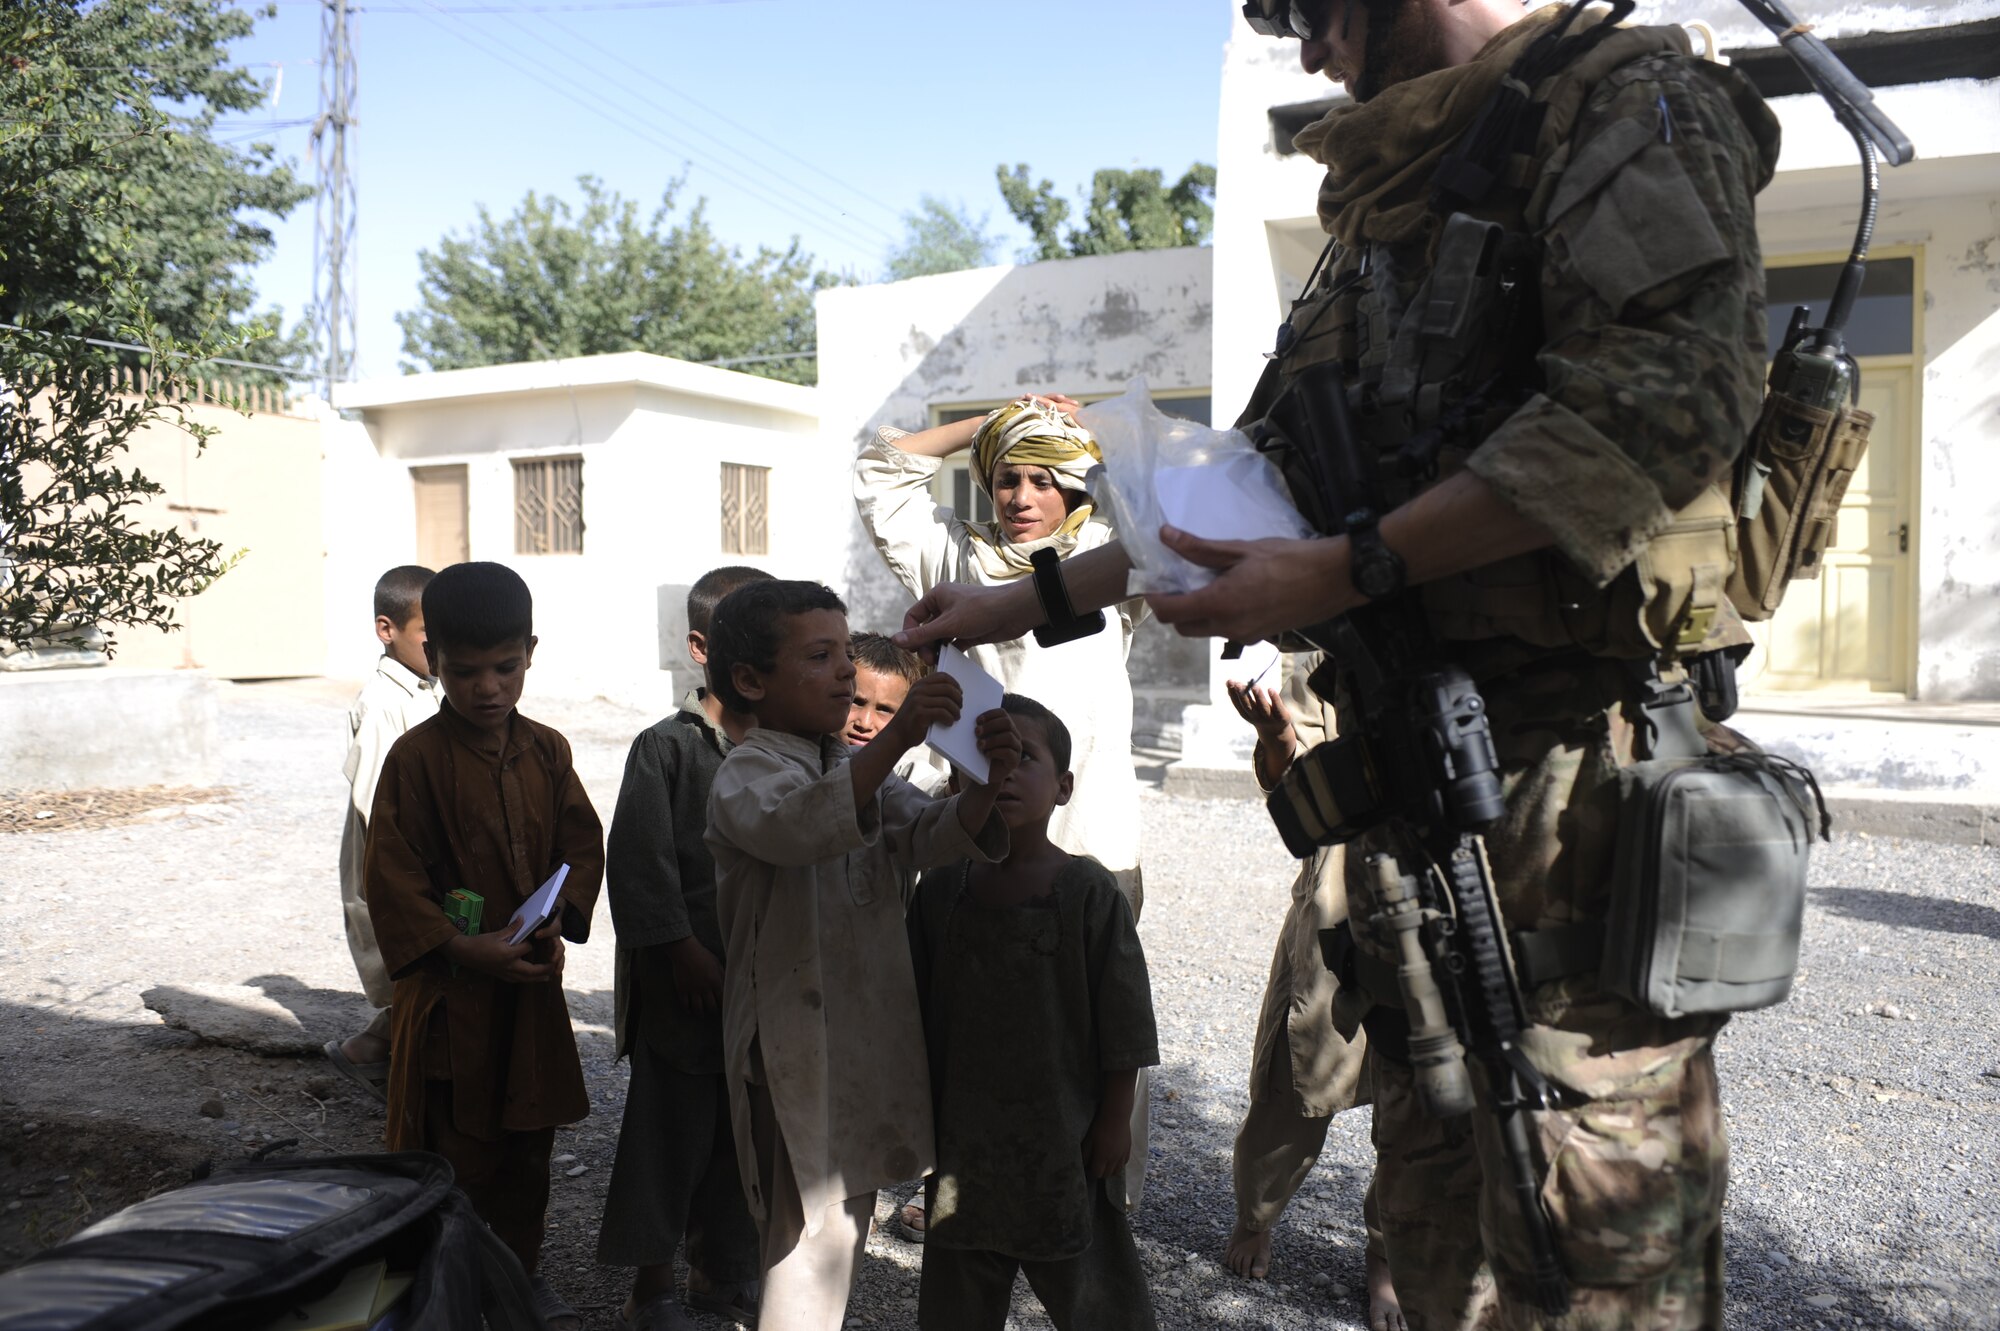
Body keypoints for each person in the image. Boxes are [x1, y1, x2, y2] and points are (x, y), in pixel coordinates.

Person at [896, 0, 1779, 1323]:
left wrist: (1355, 567)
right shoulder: (1394, 197)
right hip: (1420, 804)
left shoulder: (1624, 106)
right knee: (1431, 1225)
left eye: (1315, 11)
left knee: (1592, 1243)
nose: (1311, 51)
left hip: (1576, 801)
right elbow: (1258, 485)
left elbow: (1656, 413)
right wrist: (1010, 601)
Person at [702, 579, 1018, 1331]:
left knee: (840, 1223)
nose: (847, 671)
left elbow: (935, 835)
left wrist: (988, 775)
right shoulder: (747, 772)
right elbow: (799, 827)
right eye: (821, 656)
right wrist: (902, 735)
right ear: (751, 680)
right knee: (806, 1234)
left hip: (857, 1039)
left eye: (846, 652)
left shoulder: (845, 770)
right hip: (788, 1048)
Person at [364, 561, 604, 1331]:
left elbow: (581, 838)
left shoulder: (548, 750)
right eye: (465, 672)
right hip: (453, 1001)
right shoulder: (416, 760)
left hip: (526, 989)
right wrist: (463, 950)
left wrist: (559, 915)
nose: (488, 688)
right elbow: (392, 879)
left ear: (530, 652)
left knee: (526, 1149)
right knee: (456, 1153)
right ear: (434, 660)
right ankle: (449, 1287)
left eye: (506, 667)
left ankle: (519, 1278)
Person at [905, 694, 1158, 1331]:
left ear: (1064, 786)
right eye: (988, 758)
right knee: (957, 1303)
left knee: (1100, 1301)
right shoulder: (939, 890)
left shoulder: (1089, 894)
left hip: (1064, 1146)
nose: (1004, 772)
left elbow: (1125, 1019)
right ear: (959, 775)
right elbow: (910, 1009)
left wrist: (1115, 1119)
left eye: (1024, 758)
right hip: (963, 1148)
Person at [854, 395, 1146, 914]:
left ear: (1074, 485)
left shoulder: (1106, 553)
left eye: (1044, 480)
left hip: (1090, 817)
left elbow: (1170, 510)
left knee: (1088, 977)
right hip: (977, 814)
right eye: (1008, 479)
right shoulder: (956, 555)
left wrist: (1087, 422)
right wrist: (995, 422)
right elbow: (883, 472)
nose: (1021, 498)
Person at [595, 565, 772, 1331]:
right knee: (666, 1139)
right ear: (702, 648)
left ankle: (721, 1274)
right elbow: (638, 863)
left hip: (756, 990)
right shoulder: (666, 748)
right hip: (682, 991)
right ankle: (651, 1283)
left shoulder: (788, 752)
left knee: (743, 1144)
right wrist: (679, 949)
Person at [1222, 654, 1400, 1331]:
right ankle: (1256, 1216)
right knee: (1292, 1081)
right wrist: (1278, 742)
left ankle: (1388, 1254)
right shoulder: (1326, 647)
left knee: (1425, 1098)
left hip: (1448, 900)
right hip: (1339, 905)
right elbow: (1300, 797)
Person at [326, 564, 438, 1102]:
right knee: (415, 974)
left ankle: (371, 1054)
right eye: (426, 635)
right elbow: (377, 804)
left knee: (420, 983)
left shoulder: (427, 690)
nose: (438, 646)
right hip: (391, 866)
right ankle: (392, 1072)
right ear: (386, 630)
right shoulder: (382, 703)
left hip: (416, 865)